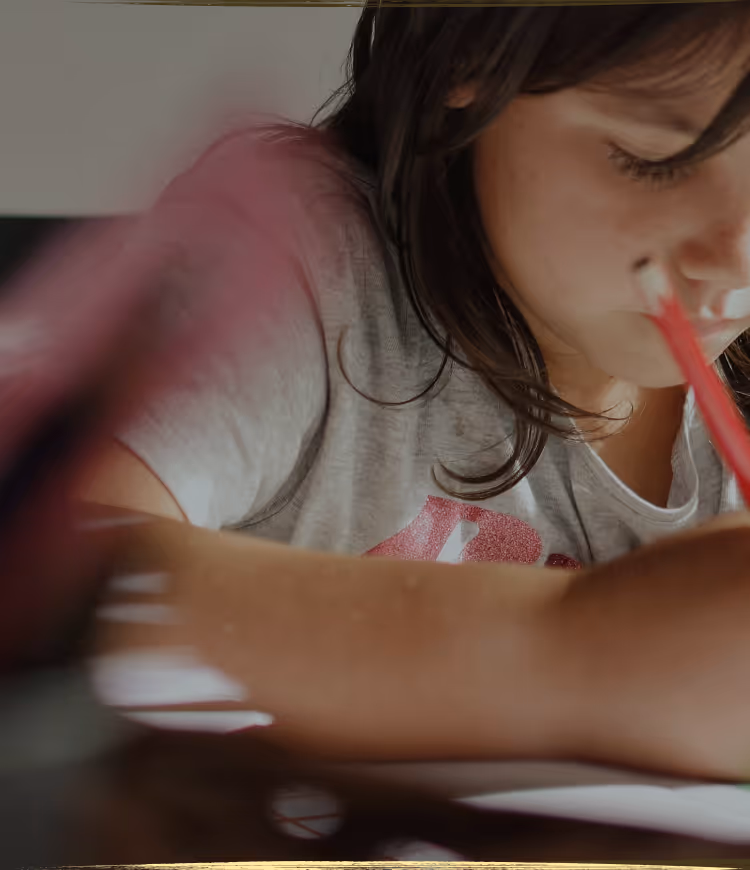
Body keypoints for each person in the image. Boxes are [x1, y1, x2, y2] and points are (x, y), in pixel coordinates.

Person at [76, 2, 750, 781]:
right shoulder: (286, 254)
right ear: (473, 51)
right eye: (651, 159)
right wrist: (574, 654)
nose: (734, 264)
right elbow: (47, 574)